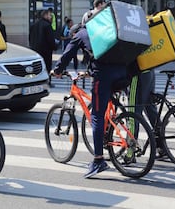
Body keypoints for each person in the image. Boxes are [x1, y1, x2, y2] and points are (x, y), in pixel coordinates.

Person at [52, 24, 127, 178]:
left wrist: (57, 70)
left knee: (96, 116)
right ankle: (111, 128)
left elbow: (67, 55)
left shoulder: (81, 34)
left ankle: (98, 160)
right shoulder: (105, 30)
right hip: (122, 73)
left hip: (104, 75)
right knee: (106, 105)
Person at [29, 9, 57, 87]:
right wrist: (54, 47)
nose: (50, 17)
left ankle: (36, 82)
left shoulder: (33, 25)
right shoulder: (47, 25)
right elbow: (50, 39)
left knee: (37, 67)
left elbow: (30, 38)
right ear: (45, 15)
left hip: (35, 50)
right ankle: (47, 82)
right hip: (46, 50)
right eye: (49, 15)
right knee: (47, 67)